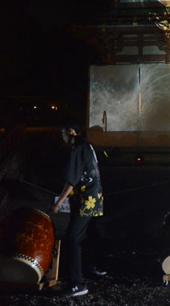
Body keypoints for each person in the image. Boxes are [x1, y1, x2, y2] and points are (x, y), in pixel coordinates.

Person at [50, 122, 105, 297]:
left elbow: (71, 181)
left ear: (72, 131)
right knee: (83, 235)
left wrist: (58, 204)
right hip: (92, 198)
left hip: (86, 201)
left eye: (63, 131)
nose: (61, 135)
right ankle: (91, 268)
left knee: (73, 238)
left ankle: (77, 284)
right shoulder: (86, 146)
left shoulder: (78, 148)